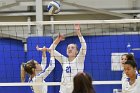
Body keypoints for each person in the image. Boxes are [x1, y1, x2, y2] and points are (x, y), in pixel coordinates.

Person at [49, 24, 87, 93]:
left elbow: (84, 46)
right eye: (68, 48)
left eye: (72, 48)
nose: (70, 49)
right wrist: (58, 40)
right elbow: (51, 50)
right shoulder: (63, 60)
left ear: (77, 51)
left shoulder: (79, 59)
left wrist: (78, 32)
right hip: (63, 91)